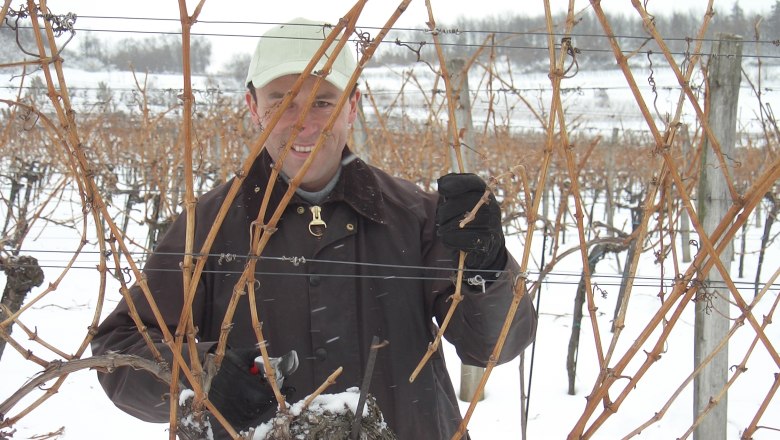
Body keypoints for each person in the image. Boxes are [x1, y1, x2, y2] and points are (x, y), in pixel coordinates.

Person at [92, 17, 537, 440]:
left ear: (353, 107)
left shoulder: (415, 216)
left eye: (323, 101)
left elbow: (495, 346)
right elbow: (121, 348)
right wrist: (202, 377)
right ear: (254, 107)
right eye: (282, 101)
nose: (303, 122)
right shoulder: (206, 228)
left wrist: (488, 267)